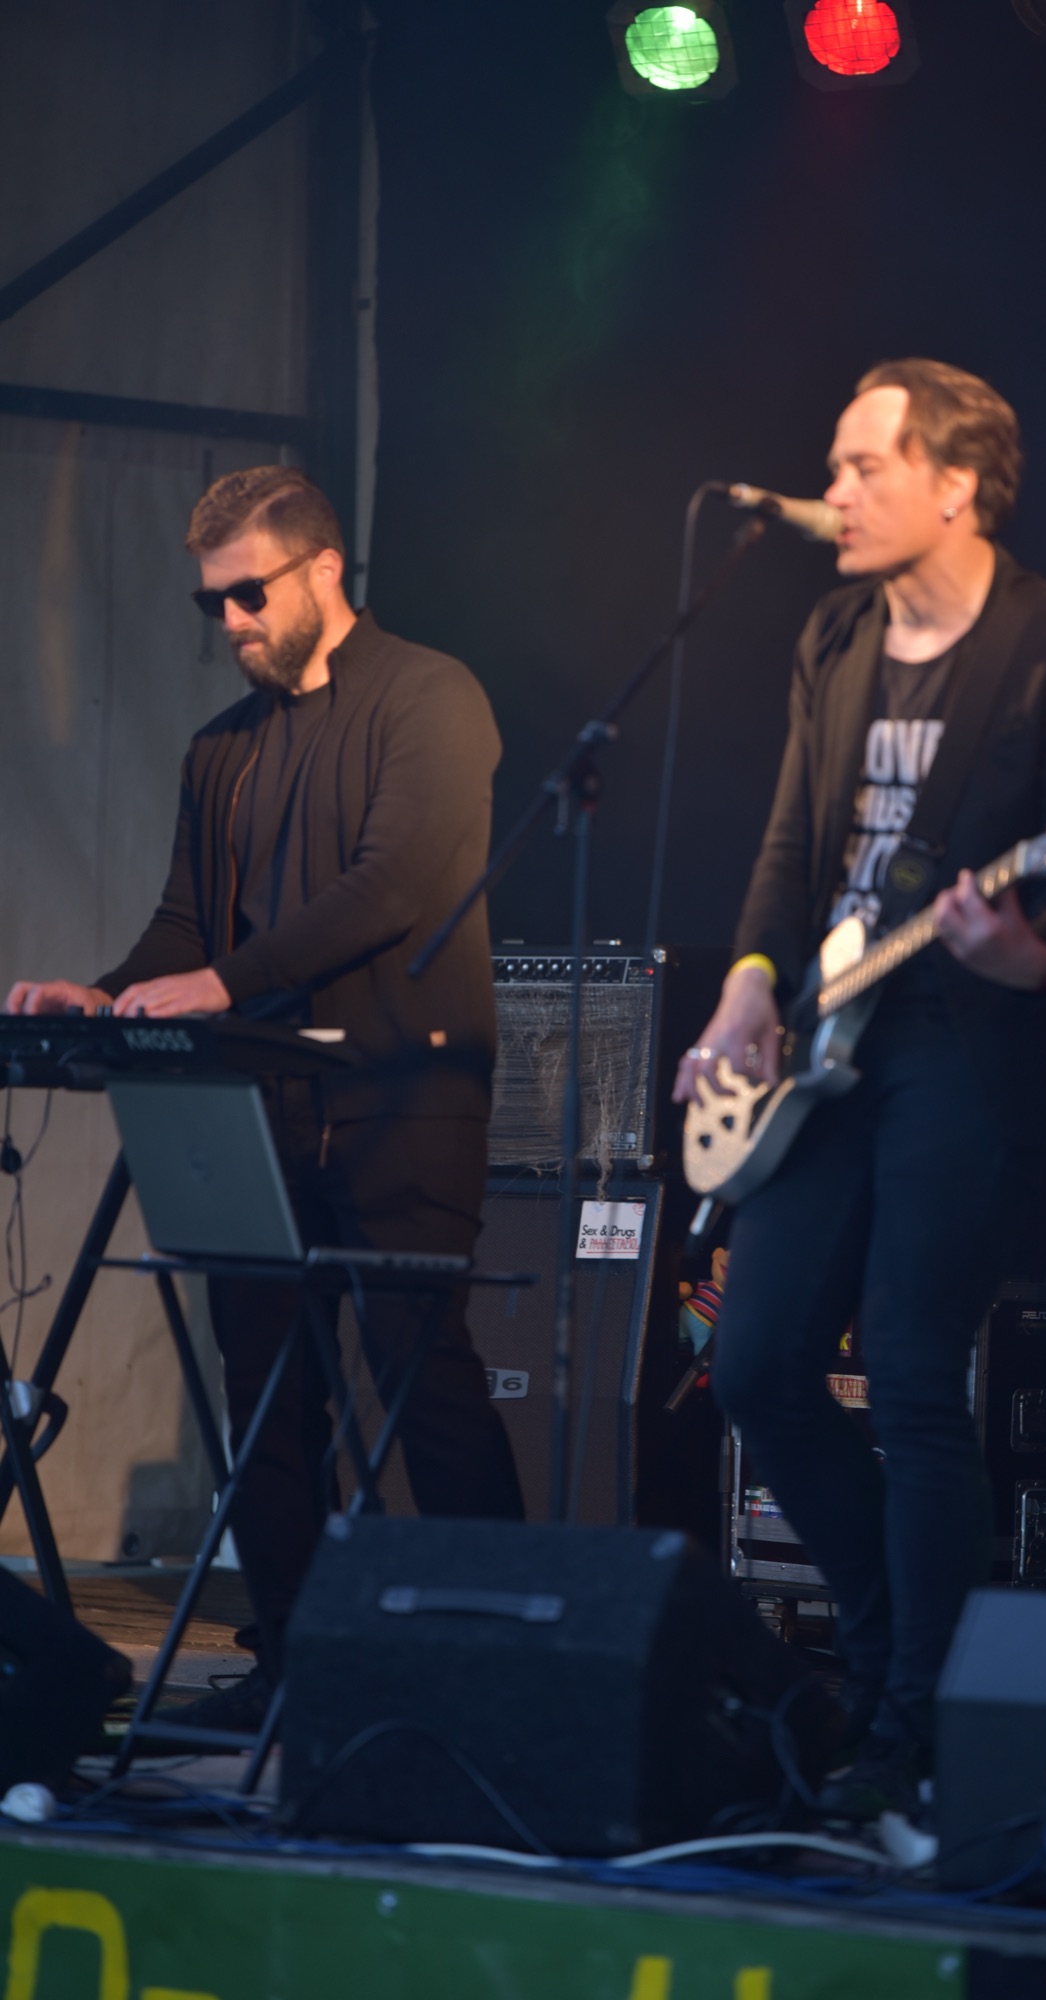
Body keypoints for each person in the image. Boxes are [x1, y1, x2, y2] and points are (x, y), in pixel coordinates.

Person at [673, 360, 1046, 1824]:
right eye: (834, 464)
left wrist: (1021, 950)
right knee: (754, 1366)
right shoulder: (834, 633)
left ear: (957, 484)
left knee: (917, 1377)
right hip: (833, 1031)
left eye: (865, 465)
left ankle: (920, 1720)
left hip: (969, 1041)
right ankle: (881, 1668)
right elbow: (792, 835)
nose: (835, 493)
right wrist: (749, 980)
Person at [6, 466, 524, 1726]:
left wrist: (223, 983)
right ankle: (292, 1664)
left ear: (324, 568)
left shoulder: (430, 696)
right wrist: (104, 994)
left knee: (422, 1372)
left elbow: (394, 882)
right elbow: (187, 925)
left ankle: (508, 1670)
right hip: (257, 1107)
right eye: (211, 603)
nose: (232, 621)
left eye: (250, 593)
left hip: (403, 1096)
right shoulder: (220, 749)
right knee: (267, 1384)